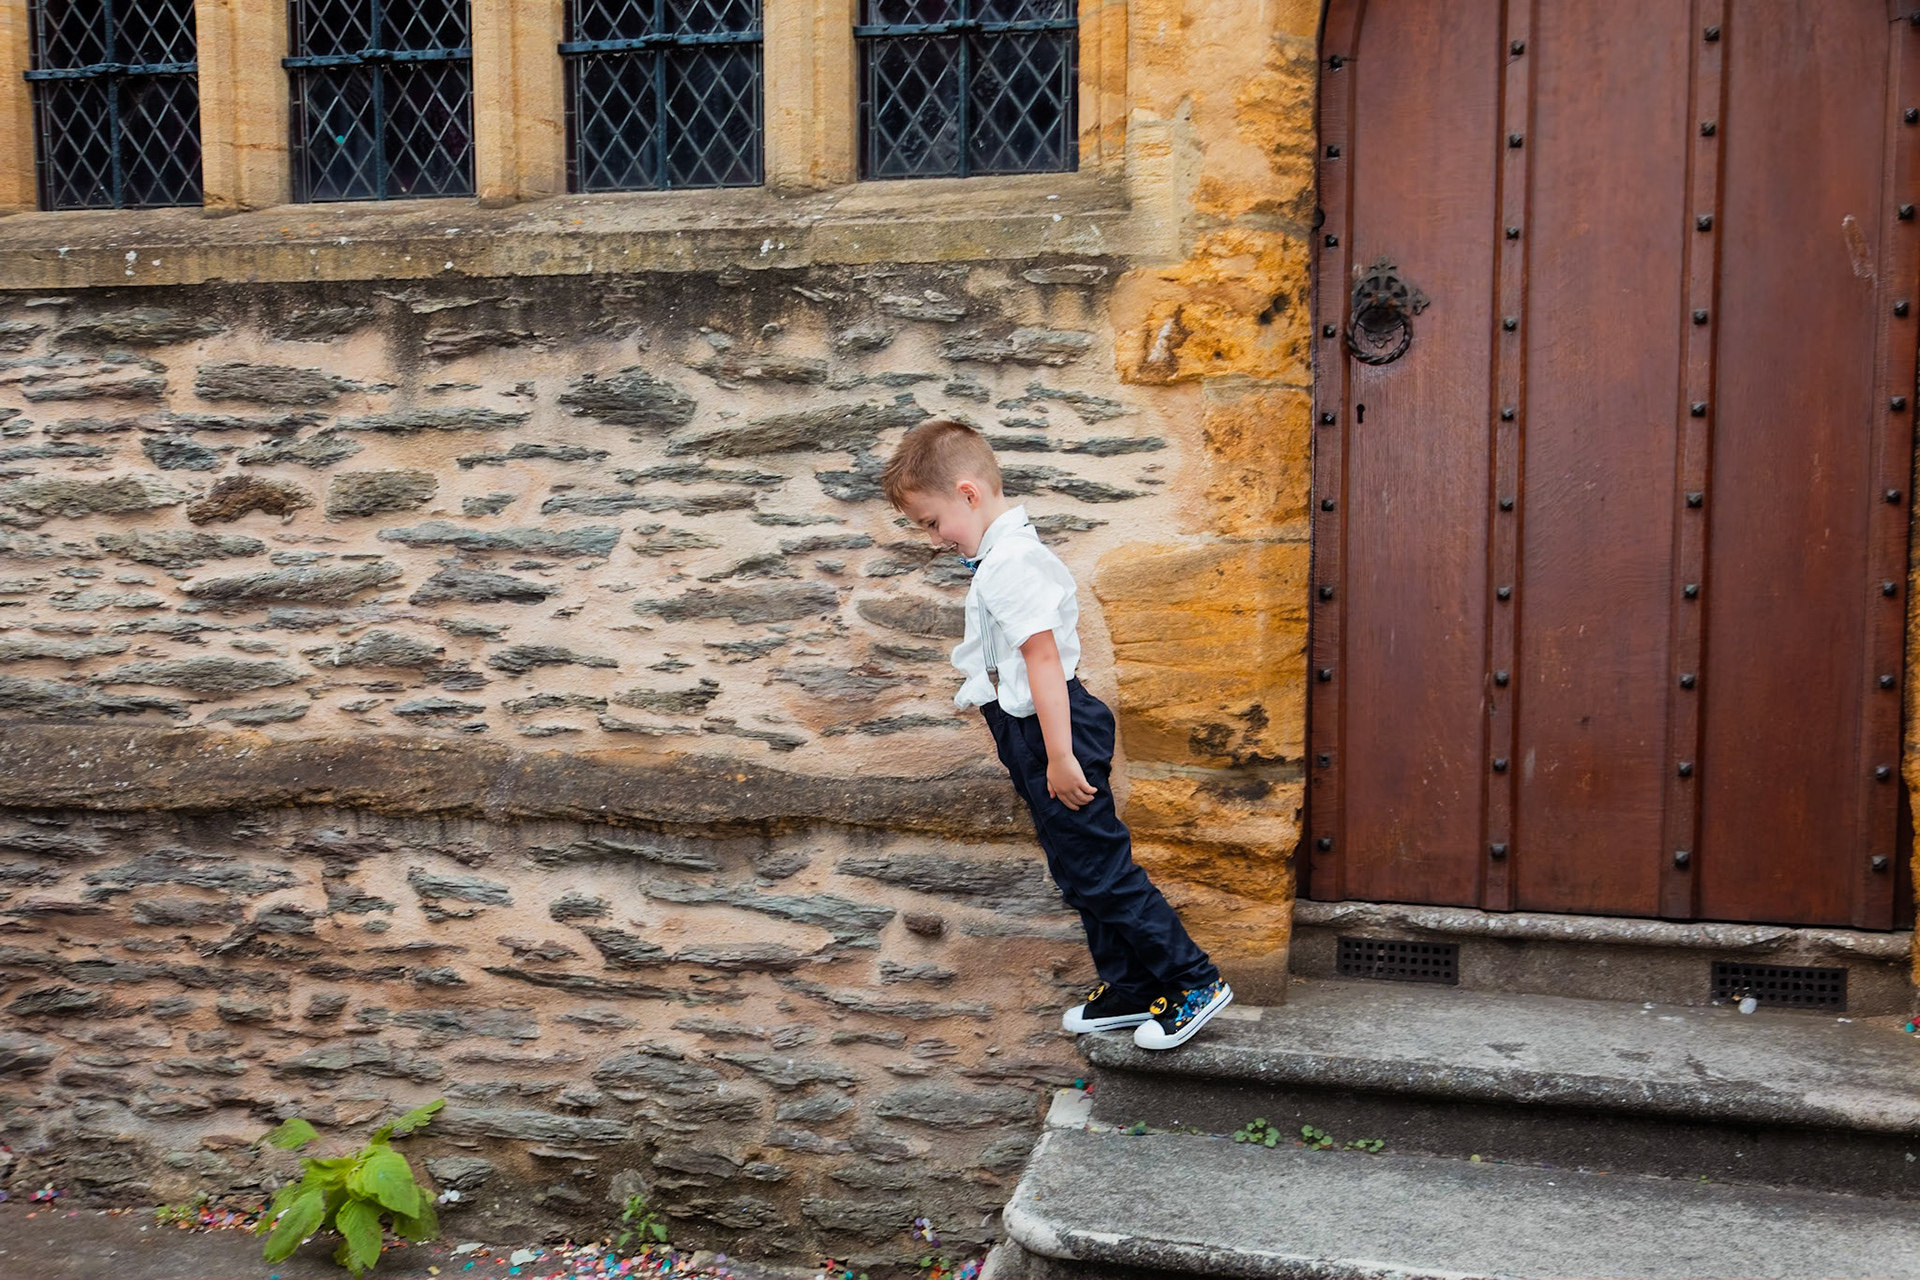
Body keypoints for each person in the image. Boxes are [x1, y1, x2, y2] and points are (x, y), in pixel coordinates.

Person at [879, 419, 1232, 1050]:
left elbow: (1042, 659)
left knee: (1102, 868)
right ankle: (1129, 984)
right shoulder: (995, 557)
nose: (933, 539)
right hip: (1029, 729)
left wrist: (1061, 755)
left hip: (1056, 729)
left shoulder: (1011, 561)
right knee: (1077, 872)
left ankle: (1192, 980)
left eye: (932, 522)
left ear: (968, 493)